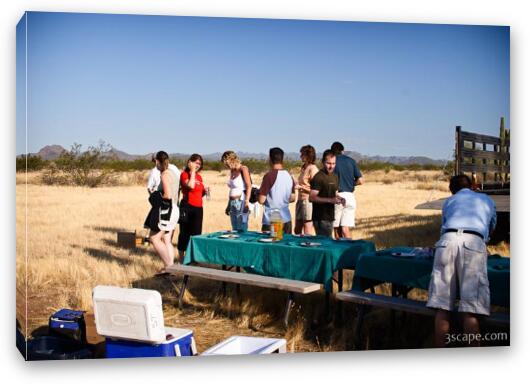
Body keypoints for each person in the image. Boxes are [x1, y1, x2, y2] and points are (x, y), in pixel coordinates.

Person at [426, 174, 497, 347]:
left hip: (447, 242)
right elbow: (492, 224)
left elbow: (444, 226)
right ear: (472, 186)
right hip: (473, 242)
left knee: (442, 308)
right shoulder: (485, 199)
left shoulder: (449, 201)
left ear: (452, 190)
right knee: (470, 310)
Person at [144, 151, 180, 274]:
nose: (156, 165)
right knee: (166, 239)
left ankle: (170, 267)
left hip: (167, 210)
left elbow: (167, 195)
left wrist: (155, 196)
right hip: (175, 208)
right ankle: (170, 267)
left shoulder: (164, 174)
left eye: (156, 163)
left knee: (154, 238)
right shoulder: (173, 173)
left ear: (158, 161)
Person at [177, 154, 208, 261]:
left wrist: (205, 191)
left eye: (200, 163)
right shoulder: (184, 174)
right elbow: (190, 186)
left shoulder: (199, 177)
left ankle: (193, 258)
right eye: (196, 163)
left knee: (196, 234)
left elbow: (199, 193)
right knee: (184, 234)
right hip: (187, 207)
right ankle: (182, 258)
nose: (198, 165)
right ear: (190, 162)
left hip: (198, 208)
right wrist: (192, 171)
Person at [257, 147, 296, 234]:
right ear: (282, 159)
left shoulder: (269, 176)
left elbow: (261, 200)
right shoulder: (289, 176)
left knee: (272, 246)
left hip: (273, 217)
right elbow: (293, 198)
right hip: (286, 218)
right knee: (284, 246)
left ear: (270, 159)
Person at [331, 141, 363, 239]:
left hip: (337, 196)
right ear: (343, 150)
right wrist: (350, 184)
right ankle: (351, 250)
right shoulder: (351, 161)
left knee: (336, 228)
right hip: (350, 197)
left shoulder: (332, 162)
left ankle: (339, 251)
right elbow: (360, 180)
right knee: (345, 229)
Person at [309, 150, 345, 237]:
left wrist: (341, 198)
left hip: (330, 216)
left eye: (333, 163)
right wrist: (330, 200)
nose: (331, 166)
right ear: (323, 162)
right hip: (320, 218)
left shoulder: (335, 177)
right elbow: (312, 197)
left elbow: (334, 193)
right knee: (325, 243)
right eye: (328, 163)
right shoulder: (318, 177)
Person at [221, 151, 252, 232]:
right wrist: (228, 205)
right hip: (232, 203)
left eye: (226, 163)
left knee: (242, 227)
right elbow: (232, 189)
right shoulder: (232, 171)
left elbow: (249, 186)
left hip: (241, 202)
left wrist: (246, 203)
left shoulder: (243, 169)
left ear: (231, 160)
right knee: (234, 229)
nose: (226, 165)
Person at [294, 145, 319, 235]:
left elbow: (316, 189)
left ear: (308, 155)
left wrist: (301, 187)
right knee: (297, 228)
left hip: (308, 201)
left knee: (307, 227)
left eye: (302, 154)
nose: (300, 156)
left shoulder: (313, 169)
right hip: (300, 200)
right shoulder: (303, 167)